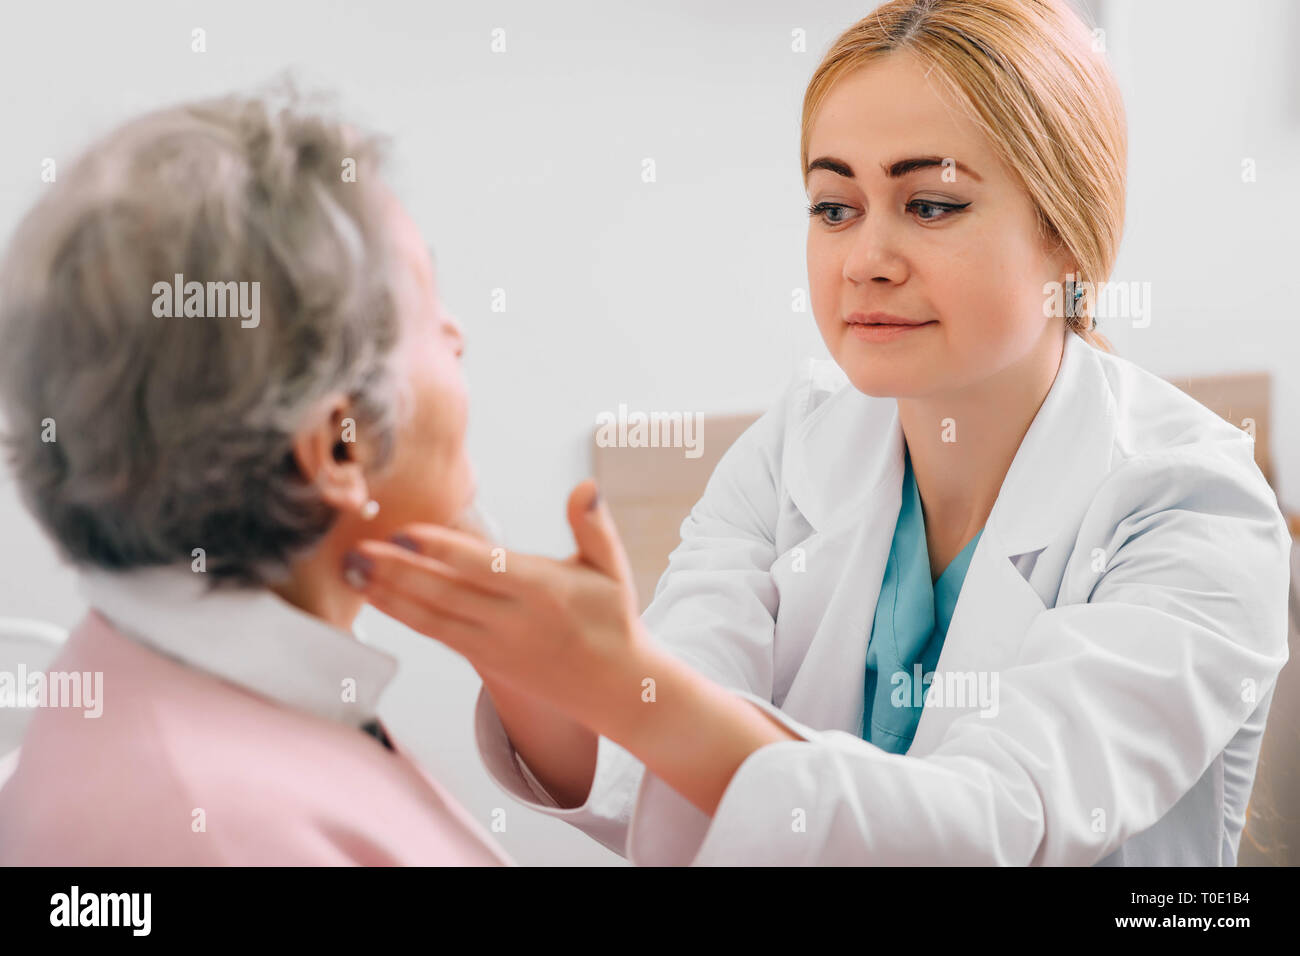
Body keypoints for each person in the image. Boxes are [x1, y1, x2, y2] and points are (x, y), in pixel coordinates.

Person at [346, 0, 1292, 865]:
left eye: (932, 205)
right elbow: (648, 771)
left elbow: (992, 827)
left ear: (1071, 237)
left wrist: (621, 675)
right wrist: (501, 614)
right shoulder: (797, 445)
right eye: (834, 207)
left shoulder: (1192, 509)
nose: (866, 261)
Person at [0, 89, 511, 865]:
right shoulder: (223, 833)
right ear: (338, 446)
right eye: (427, 305)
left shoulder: (169, 673)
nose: (458, 333)